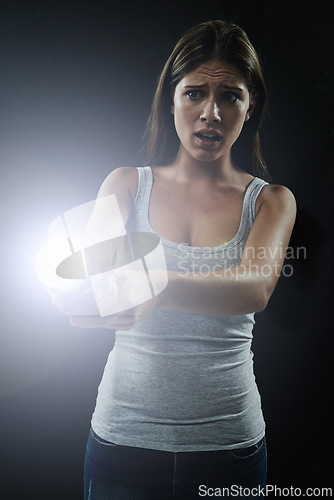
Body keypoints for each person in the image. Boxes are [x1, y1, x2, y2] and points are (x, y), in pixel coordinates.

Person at [54, 20, 296, 499]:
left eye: (230, 96)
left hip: (229, 446)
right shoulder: (126, 184)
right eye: (194, 94)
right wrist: (72, 292)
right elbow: (87, 276)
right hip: (123, 439)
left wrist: (154, 280)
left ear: (250, 109)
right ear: (171, 99)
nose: (211, 113)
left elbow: (254, 287)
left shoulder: (270, 200)